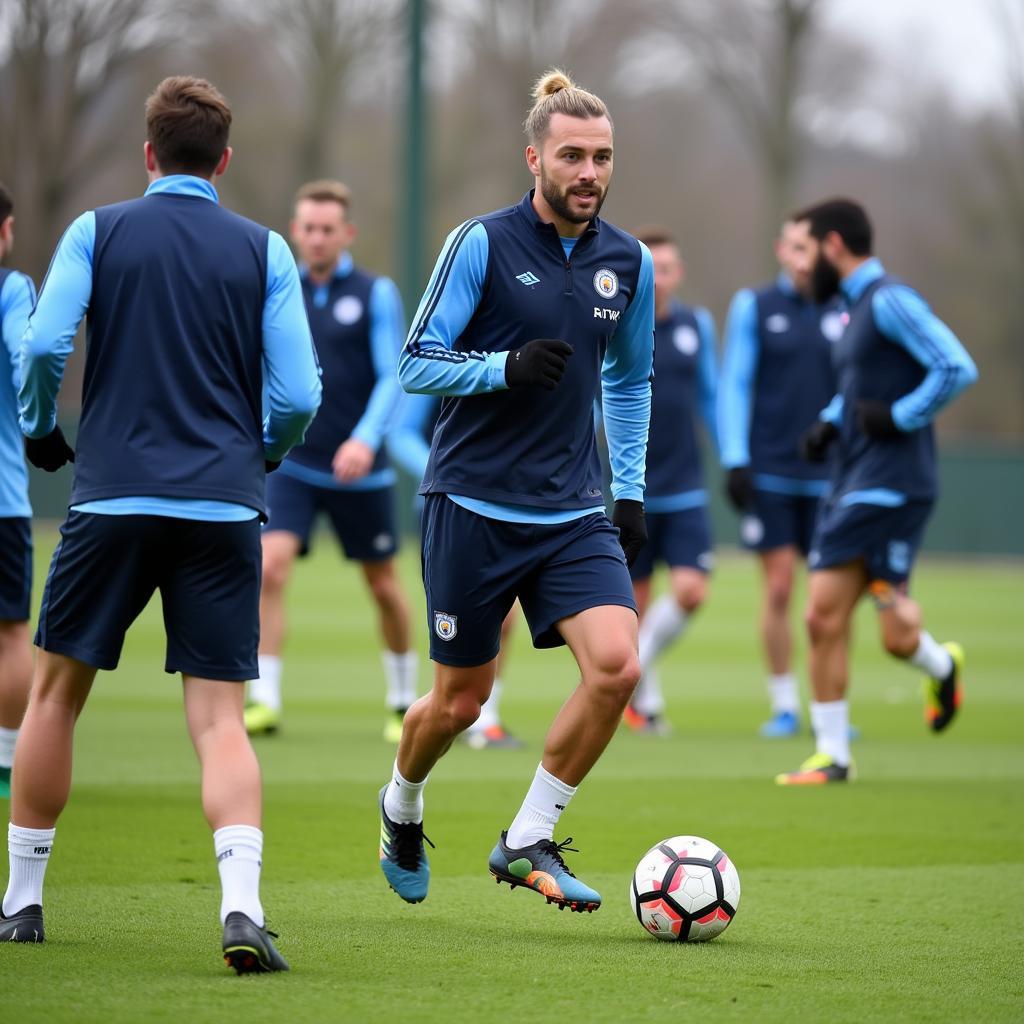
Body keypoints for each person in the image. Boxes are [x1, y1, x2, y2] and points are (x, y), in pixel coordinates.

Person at [1, 77, 321, 972]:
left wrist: (39, 428)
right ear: (223, 161)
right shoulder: (265, 248)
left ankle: (22, 903)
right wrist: (262, 452)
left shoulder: (96, 231)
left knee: (57, 696)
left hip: (109, 500)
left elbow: (41, 346)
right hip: (223, 507)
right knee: (220, 721)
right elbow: (299, 394)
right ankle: (243, 908)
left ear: (149, 155)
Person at [377, 69, 653, 912]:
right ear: (533, 157)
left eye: (602, 157)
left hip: (572, 510)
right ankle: (401, 805)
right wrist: (504, 367)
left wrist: (630, 490)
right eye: (572, 155)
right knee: (460, 702)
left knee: (617, 667)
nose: (589, 173)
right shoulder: (481, 244)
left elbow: (632, 382)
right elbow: (416, 360)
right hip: (471, 505)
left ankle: (526, 837)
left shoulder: (628, 261)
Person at [776, 198, 977, 785]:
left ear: (833, 245)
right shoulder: (850, 307)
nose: (798, 264)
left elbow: (955, 367)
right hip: (857, 480)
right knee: (895, 636)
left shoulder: (890, 300)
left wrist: (901, 416)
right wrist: (831, 421)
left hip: (888, 486)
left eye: (804, 249)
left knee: (819, 613)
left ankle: (833, 757)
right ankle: (941, 667)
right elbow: (861, 382)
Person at [246, 180, 415, 743]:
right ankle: (264, 698)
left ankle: (400, 698)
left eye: (328, 229)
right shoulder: (277, 287)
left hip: (361, 468)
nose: (317, 238)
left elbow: (394, 374)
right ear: (295, 231)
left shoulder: (375, 293)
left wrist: (365, 439)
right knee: (270, 568)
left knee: (383, 585)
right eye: (308, 228)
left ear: (347, 234)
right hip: (292, 462)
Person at [717, 218, 843, 737]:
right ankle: (785, 702)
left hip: (830, 474)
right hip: (770, 471)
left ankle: (831, 709)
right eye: (793, 247)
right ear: (780, 249)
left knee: (829, 597)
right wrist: (735, 457)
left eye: (810, 249)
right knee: (779, 588)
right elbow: (735, 383)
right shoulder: (755, 305)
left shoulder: (845, 308)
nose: (802, 259)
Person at [622, 227, 717, 736]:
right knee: (632, 605)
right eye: (651, 267)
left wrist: (736, 459)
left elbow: (712, 397)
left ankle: (634, 680)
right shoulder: (614, 322)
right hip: (628, 488)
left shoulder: (696, 325)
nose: (661, 278)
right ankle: (645, 703)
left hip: (684, 487)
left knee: (691, 590)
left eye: (669, 267)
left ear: (680, 273)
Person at [390, 392, 523, 749]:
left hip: (520, 502)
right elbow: (401, 434)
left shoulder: (547, 345)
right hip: (453, 505)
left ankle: (485, 717)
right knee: (472, 621)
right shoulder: (450, 349)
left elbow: (587, 414)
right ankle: (453, 712)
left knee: (507, 617)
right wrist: (452, 474)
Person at [0, 183, 36, 800]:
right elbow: (28, 354)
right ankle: (7, 762)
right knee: (10, 635)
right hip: (2, 500)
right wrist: (40, 425)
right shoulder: (12, 289)